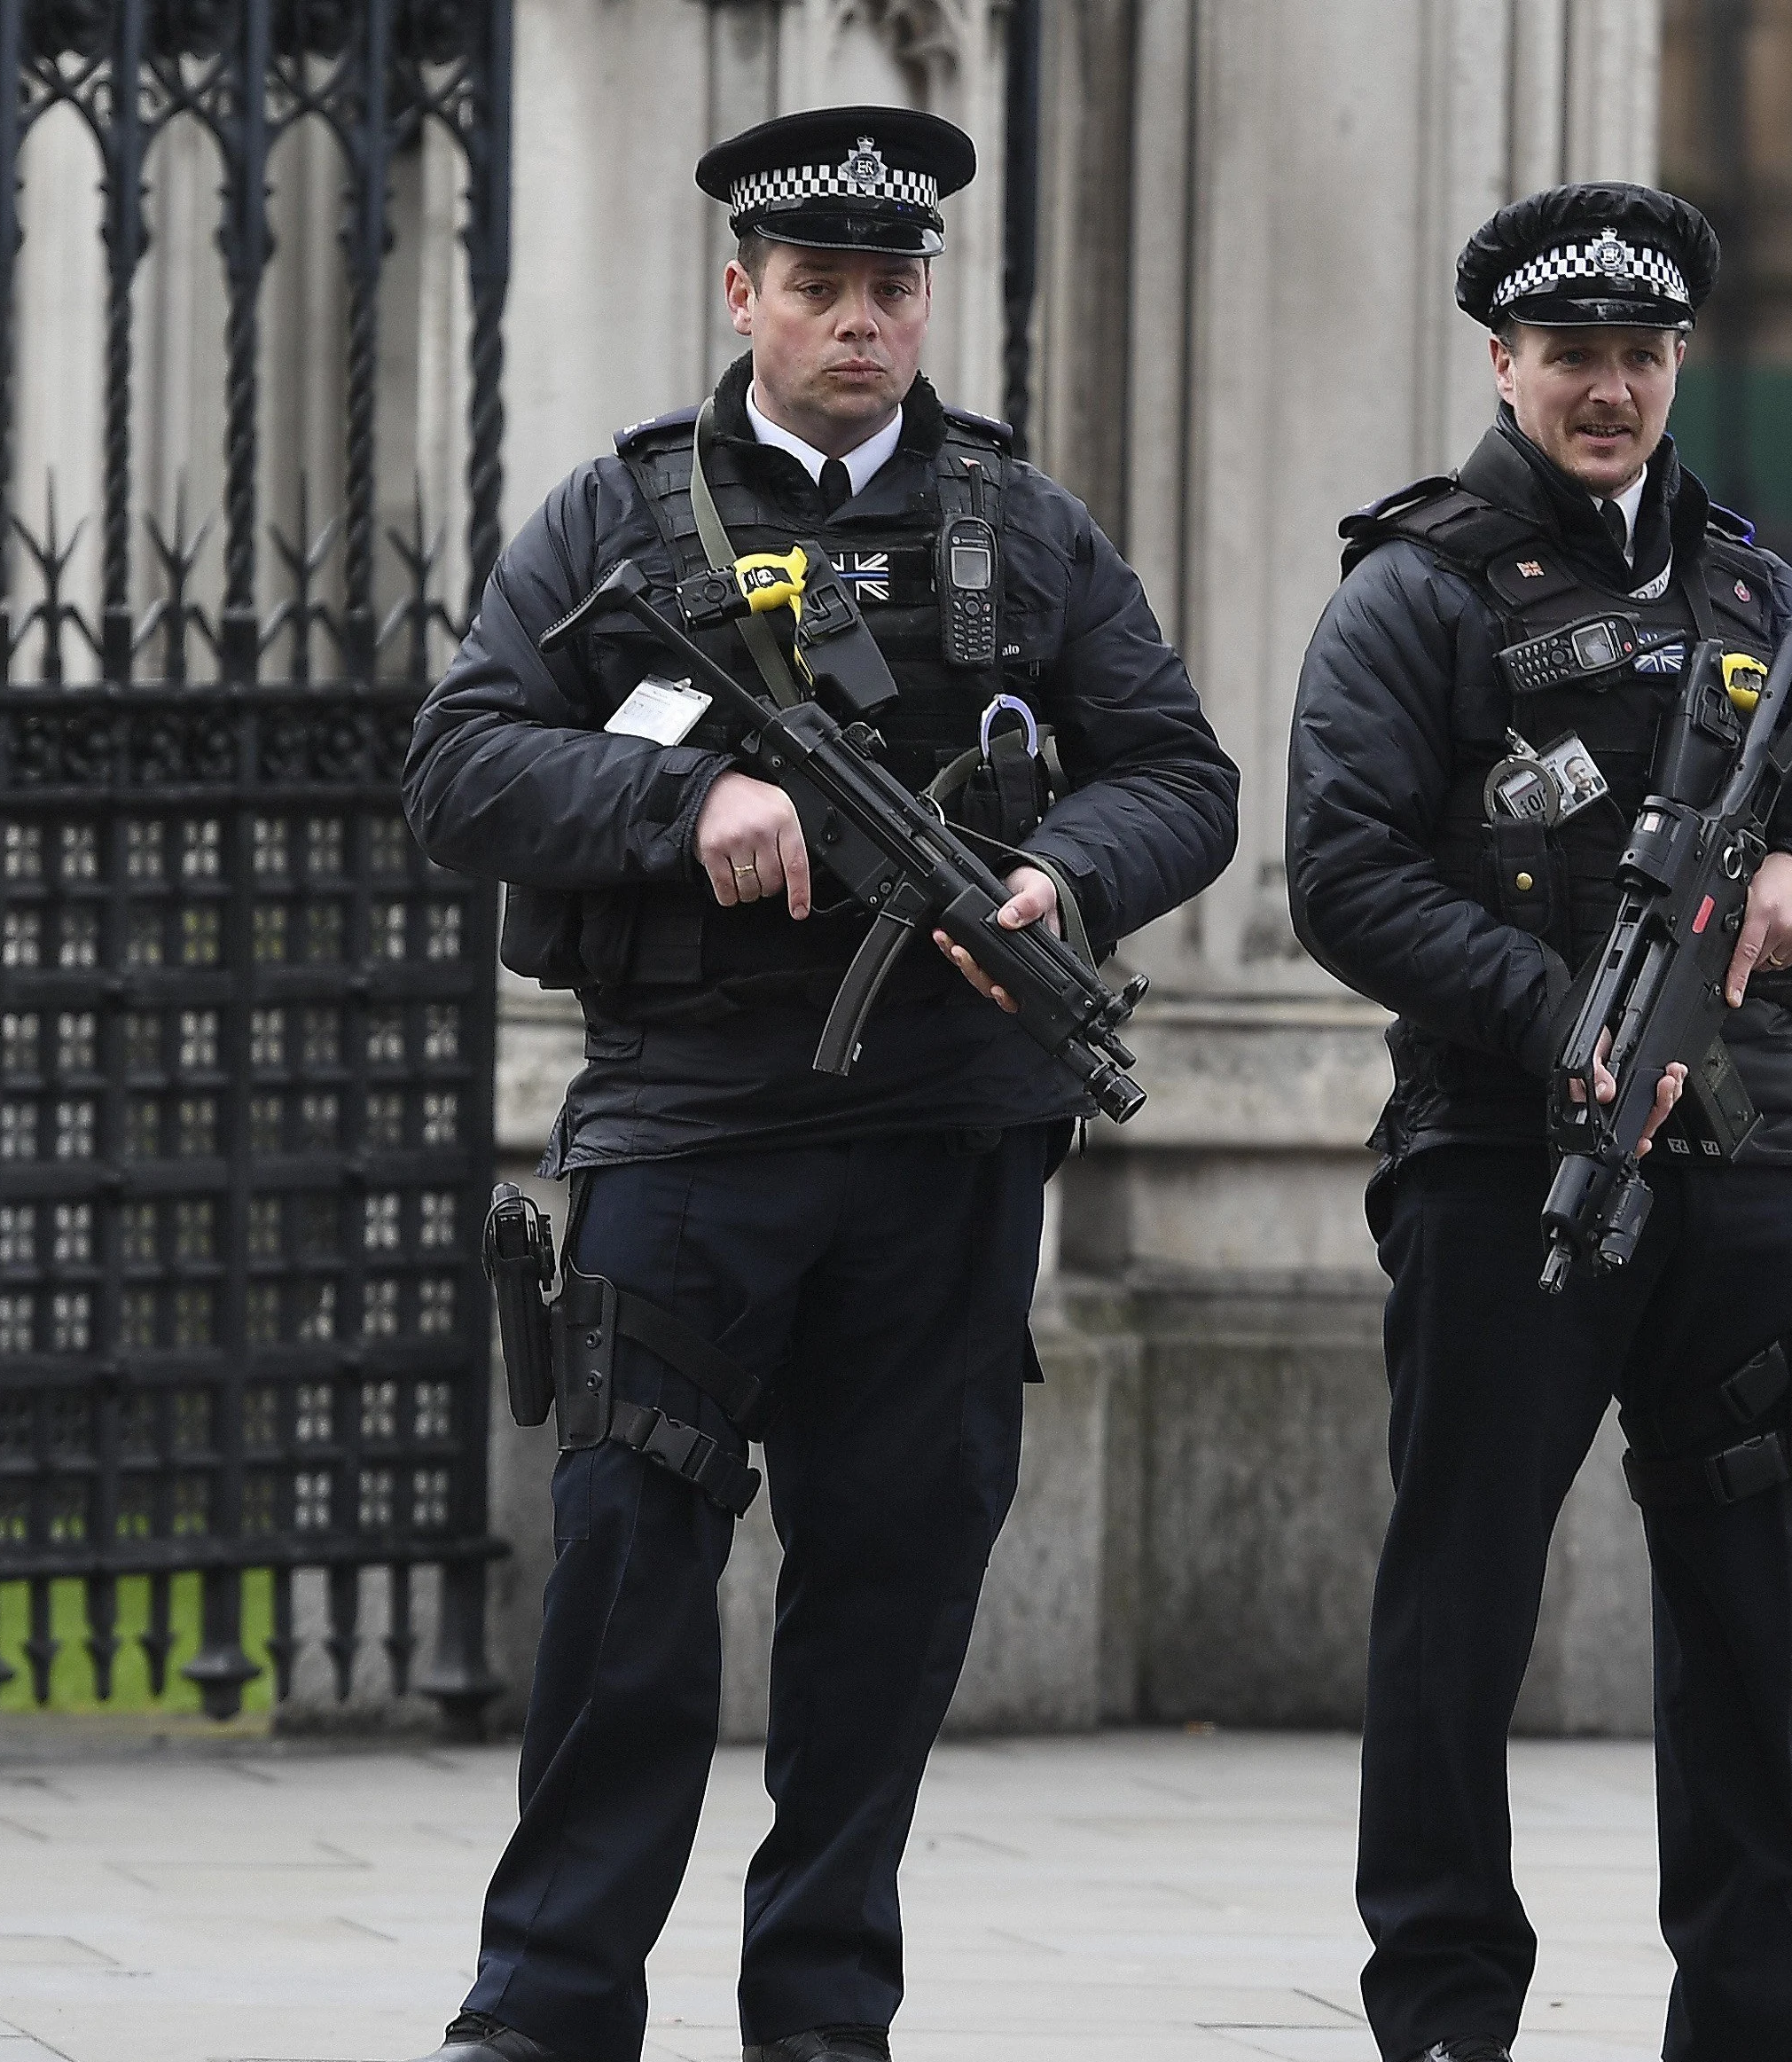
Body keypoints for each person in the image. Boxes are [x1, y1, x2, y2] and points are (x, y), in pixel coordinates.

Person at [395, 106, 1237, 2062]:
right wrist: (695, 796)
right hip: (686, 1123)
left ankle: (824, 2017)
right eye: (820, 287)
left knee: (889, 1596)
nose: (860, 322)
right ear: (744, 295)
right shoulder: (617, 519)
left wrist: (1062, 875)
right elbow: (458, 763)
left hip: (942, 1136)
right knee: (624, 1586)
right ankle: (546, 2010)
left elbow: (1180, 775)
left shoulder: (1024, 527)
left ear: (926, 298)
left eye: (891, 287)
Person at [1288, 182, 1792, 2062]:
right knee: (1463, 1601)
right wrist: (1555, 1025)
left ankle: (1759, 2012)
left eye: (1641, 356)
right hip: (1510, 1166)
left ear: (1680, 366)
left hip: (1744, 1162)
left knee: (1754, 1604)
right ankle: (1441, 2008)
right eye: (1572, 355)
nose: (1609, 389)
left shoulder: (1750, 599)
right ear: (1503, 364)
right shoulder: (1414, 590)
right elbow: (1340, 877)